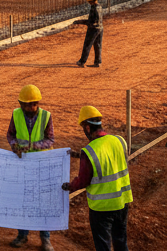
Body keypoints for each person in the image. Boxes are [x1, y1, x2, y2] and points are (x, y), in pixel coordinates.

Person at [62, 105, 133, 251]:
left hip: (102, 208)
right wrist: (79, 156)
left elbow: (83, 180)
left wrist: (70, 186)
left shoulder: (89, 151)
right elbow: (111, 158)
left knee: (103, 246)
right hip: (122, 201)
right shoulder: (119, 141)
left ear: (87, 128)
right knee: (121, 241)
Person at [7, 85, 55, 250]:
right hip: (23, 164)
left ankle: (45, 239)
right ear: (21, 104)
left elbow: (50, 140)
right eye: (28, 105)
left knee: (43, 202)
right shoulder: (16, 115)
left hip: (42, 164)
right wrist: (15, 147)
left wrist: (34, 145)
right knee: (23, 200)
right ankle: (22, 235)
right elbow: (10, 135)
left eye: (34, 104)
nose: (31, 108)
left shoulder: (46, 116)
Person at [73, 0, 102, 67]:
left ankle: (82, 61)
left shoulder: (93, 8)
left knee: (87, 45)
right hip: (100, 28)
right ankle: (98, 62)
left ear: (91, 1)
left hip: (93, 29)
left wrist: (80, 21)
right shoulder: (99, 6)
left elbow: (91, 22)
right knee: (98, 45)